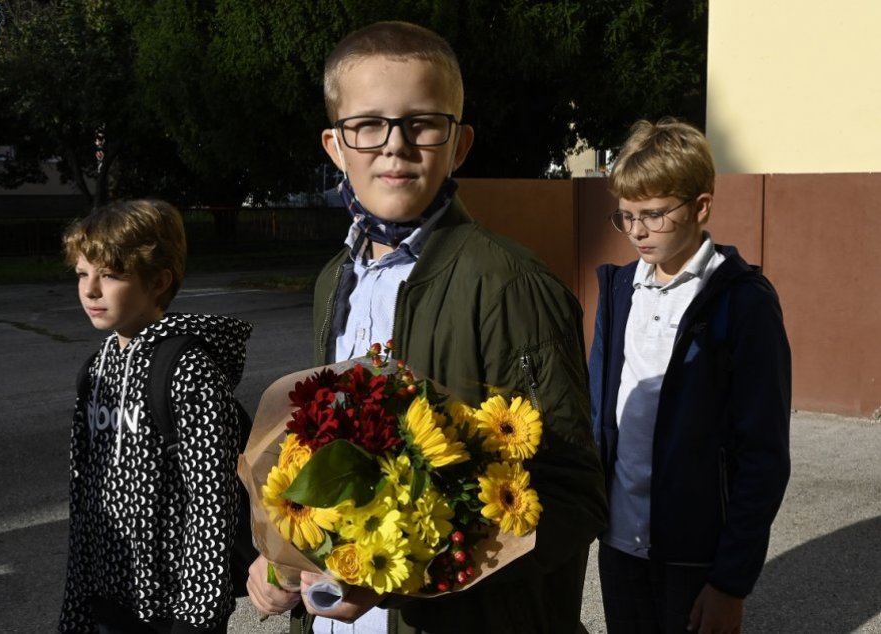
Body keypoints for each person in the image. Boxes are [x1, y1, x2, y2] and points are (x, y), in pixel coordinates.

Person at [245, 20, 608, 634]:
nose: (395, 145)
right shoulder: (334, 280)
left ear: (458, 144)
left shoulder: (510, 285)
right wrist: (279, 559)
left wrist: (403, 577)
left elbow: (572, 498)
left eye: (422, 123)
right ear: (335, 146)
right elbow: (324, 455)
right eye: (367, 125)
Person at [588, 118, 792, 633]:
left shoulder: (743, 303)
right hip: (619, 546)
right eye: (626, 216)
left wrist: (731, 582)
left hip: (695, 556)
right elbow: (599, 417)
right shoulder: (617, 293)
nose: (637, 231)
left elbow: (763, 455)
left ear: (700, 207)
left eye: (654, 214)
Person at [58, 199, 252, 633]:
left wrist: (197, 619)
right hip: (108, 596)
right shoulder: (95, 371)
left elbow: (213, 504)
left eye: (109, 276)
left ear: (158, 281)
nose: (90, 290)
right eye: (82, 274)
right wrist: (77, 608)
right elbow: (84, 499)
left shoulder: (186, 369)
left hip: (173, 609)